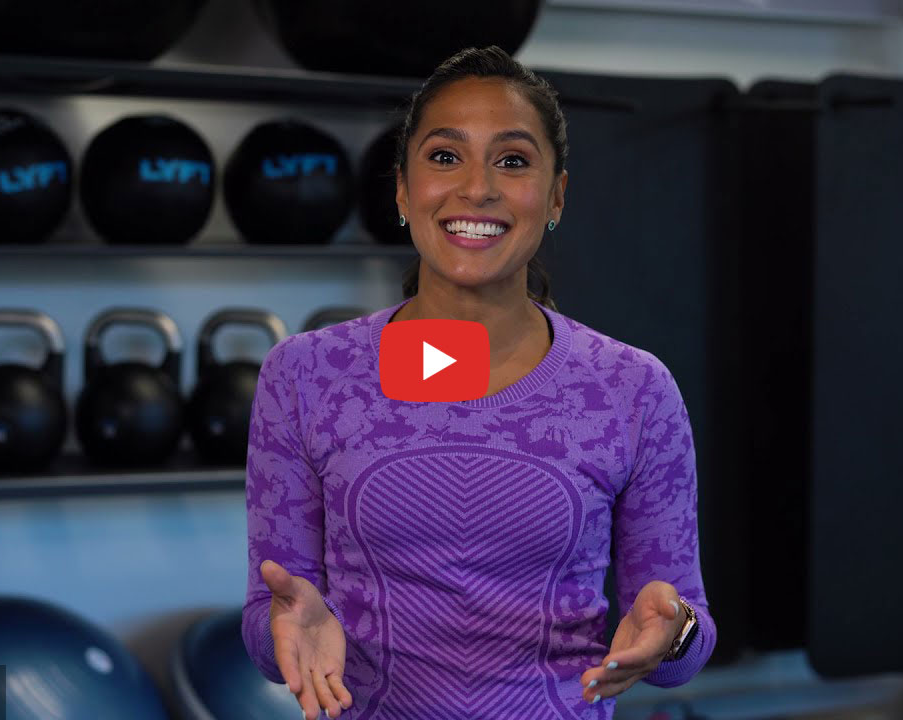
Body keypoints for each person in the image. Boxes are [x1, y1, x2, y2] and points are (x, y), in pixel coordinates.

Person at [242, 45, 716, 719]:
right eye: (444, 156)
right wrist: (282, 630)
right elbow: (270, 616)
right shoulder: (306, 374)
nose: (477, 188)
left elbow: (687, 639)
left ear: (555, 197)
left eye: (513, 160)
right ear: (403, 190)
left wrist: (674, 633)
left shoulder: (634, 388)